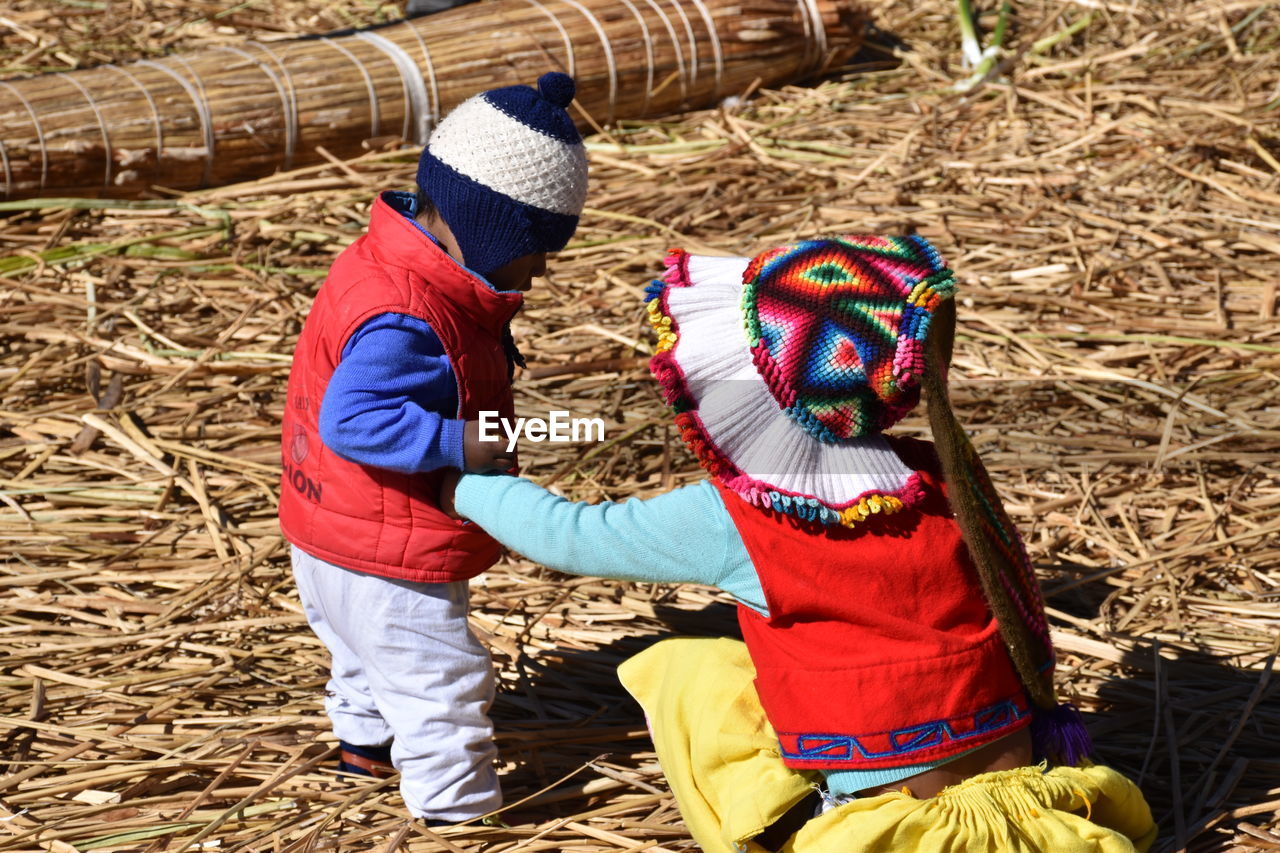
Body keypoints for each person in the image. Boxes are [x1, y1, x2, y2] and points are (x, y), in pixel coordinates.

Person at [441, 237, 1156, 850]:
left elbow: (574, 538)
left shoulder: (743, 515)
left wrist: (464, 485)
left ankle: (785, 826)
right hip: (1025, 793)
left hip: (887, 830)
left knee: (691, 672)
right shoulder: (941, 478)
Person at [278, 72, 587, 823]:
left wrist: (552, 430)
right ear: (491, 229)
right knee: (441, 680)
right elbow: (354, 421)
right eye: (534, 251)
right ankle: (458, 815)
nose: (540, 271)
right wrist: (461, 442)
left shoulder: (391, 262)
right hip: (385, 547)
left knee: (363, 656)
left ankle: (365, 751)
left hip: (328, 526)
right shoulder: (407, 315)